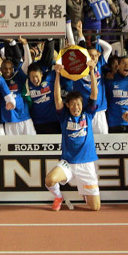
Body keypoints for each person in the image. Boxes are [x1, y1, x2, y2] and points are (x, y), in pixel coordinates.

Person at [45, 62, 101, 211]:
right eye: (73, 104)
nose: (76, 107)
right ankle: (58, 196)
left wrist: (91, 70)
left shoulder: (88, 114)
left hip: (86, 164)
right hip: (68, 162)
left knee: (95, 208)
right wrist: (57, 74)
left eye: (79, 104)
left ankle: (85, 192)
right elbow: (57, 98)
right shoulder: (64, 116)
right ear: (68, 105)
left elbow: (94, 94)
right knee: (50, 180)